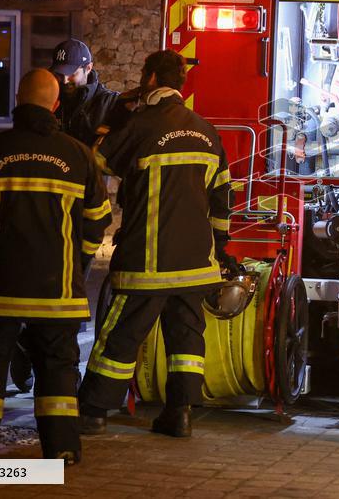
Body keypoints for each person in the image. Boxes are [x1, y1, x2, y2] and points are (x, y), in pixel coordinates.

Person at [0, 69, 111, 462]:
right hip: (59, 295)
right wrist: (79, 264)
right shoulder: (79, 156)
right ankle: (63, 450)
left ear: (18, 100)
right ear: (56, 105)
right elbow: (97, 221)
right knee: (57, 371)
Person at [77, 49, 235, 438]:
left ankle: (94, 411)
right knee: (185, 341)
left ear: (149, 79)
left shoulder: (139, 126)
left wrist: (113, 120)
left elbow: (93, 162)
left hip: (146, 262)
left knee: (121, 334)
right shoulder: (207, 132)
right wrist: (219, 248)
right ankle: (179, 414)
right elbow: (221, 200)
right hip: (197, 262)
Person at [49, 38, 121, 147]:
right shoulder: (50, 98)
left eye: (72, 73)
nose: (64, 80)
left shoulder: (109, 103)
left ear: (88, 68)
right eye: (59, 74)